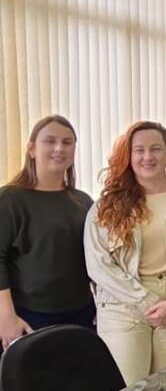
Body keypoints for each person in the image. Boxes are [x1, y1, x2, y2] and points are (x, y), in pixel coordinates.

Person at [85, 122, 166, 385]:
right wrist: (146, 301)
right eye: (139, 150)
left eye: (156, 149)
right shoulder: (104, 208)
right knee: (127, 390)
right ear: (129, 156)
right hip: (123, 308)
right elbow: (99, 265)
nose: (148, 156)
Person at [0, 115, 96, 347]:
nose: (59, 148)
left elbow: (96, 261)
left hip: (81, 314)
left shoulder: (84, 202)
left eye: (67, 142)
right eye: (50, 141)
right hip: (28, 318)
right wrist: (6, 316)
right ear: (31, 149)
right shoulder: (10, 199)